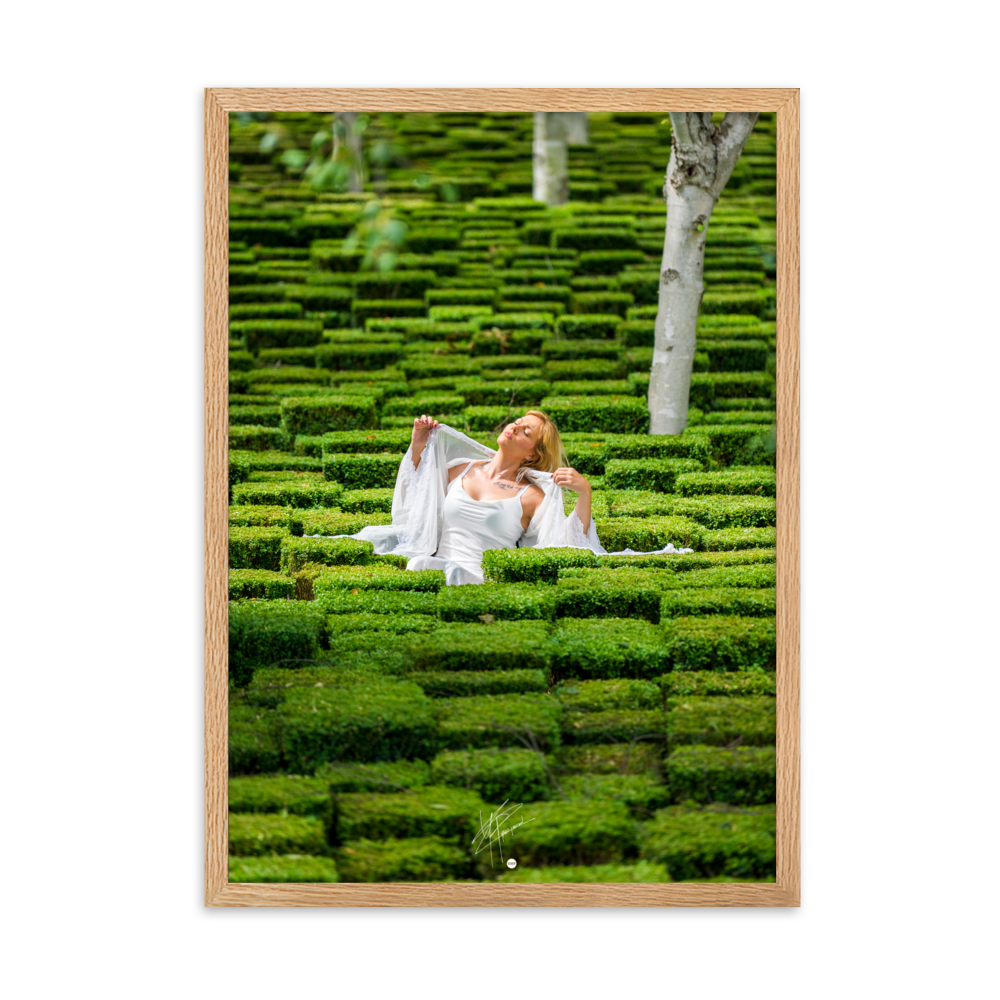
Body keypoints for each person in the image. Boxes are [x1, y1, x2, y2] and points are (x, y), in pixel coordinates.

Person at [303, 409, 695, 586]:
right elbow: (413, 501)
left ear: (533, 454)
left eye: (526, 431)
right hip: (429, 559)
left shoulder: (533, 497)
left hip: (477, 577)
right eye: (518, 422)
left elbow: (565, 545)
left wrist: (584, 492)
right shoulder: (460, 470)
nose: (514, 427)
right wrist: (418, 445)